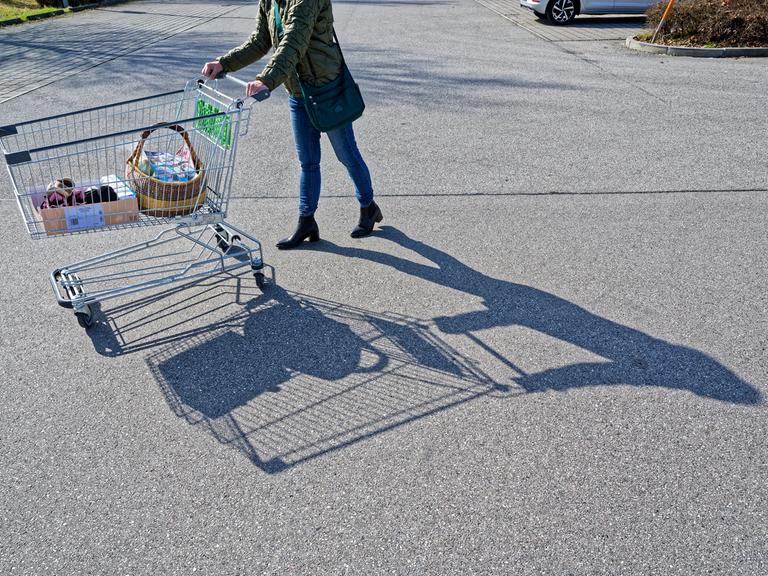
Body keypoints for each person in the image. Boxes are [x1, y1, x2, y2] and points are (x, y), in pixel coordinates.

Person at [201, 0, 382, 250]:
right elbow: (259, 41)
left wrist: (266, 79)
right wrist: (224, 63)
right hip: (297, 91)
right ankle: (306, 221)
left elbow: (294, 41)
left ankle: (368, 206)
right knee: (308, 161)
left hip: (325, 89)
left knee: (347, 154)